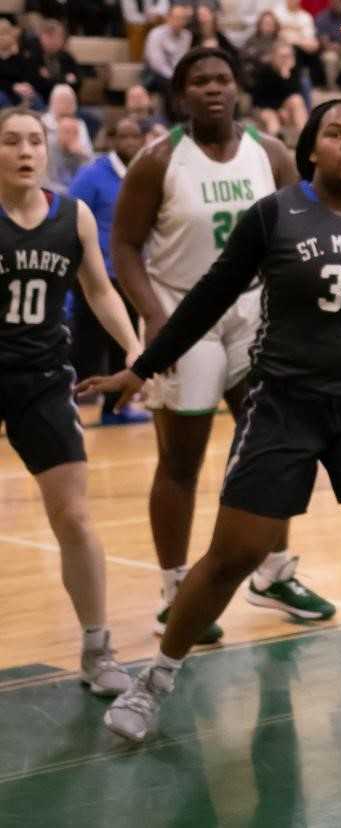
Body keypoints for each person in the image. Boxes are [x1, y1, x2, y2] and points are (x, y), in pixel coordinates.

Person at [82, 99, 341, 743]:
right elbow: (208, 297)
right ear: (310, 149)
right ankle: (154, 683)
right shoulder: (275, 213)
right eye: (335, 132)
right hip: (284, 402)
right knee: (236, 553)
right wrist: (143, 366)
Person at [111, 47, 334, 645]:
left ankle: (272, 572)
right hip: (185, 312)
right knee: (181, 459)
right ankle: (175, 587)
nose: (213, 89)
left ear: (238, 88)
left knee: (275, 444)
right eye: (199, 81)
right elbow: (125, 248)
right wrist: (154, 316)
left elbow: (306, 230)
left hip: (255, 311)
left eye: (222, 79)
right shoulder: (158, 162)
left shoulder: (272, 153)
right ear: (181, 95)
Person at [0, 108, 142, 699]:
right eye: (11, 141)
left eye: (35, 140)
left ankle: (96, 647)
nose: (26, 151)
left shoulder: (73, 215)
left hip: (40, 380)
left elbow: (99, 290)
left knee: (76, 519)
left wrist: (136, 349)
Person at [68, 116, 151, 426]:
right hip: (95, 274)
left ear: (143, 140)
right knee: (86, 346)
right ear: (112, 139)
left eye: (135, 137)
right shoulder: (92, 175)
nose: (129, 142)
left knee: (122, 346)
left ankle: (115, 407)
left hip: (129, 274)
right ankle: (70, 405)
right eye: (123, 136)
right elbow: (71, 214)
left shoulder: (144, 173)